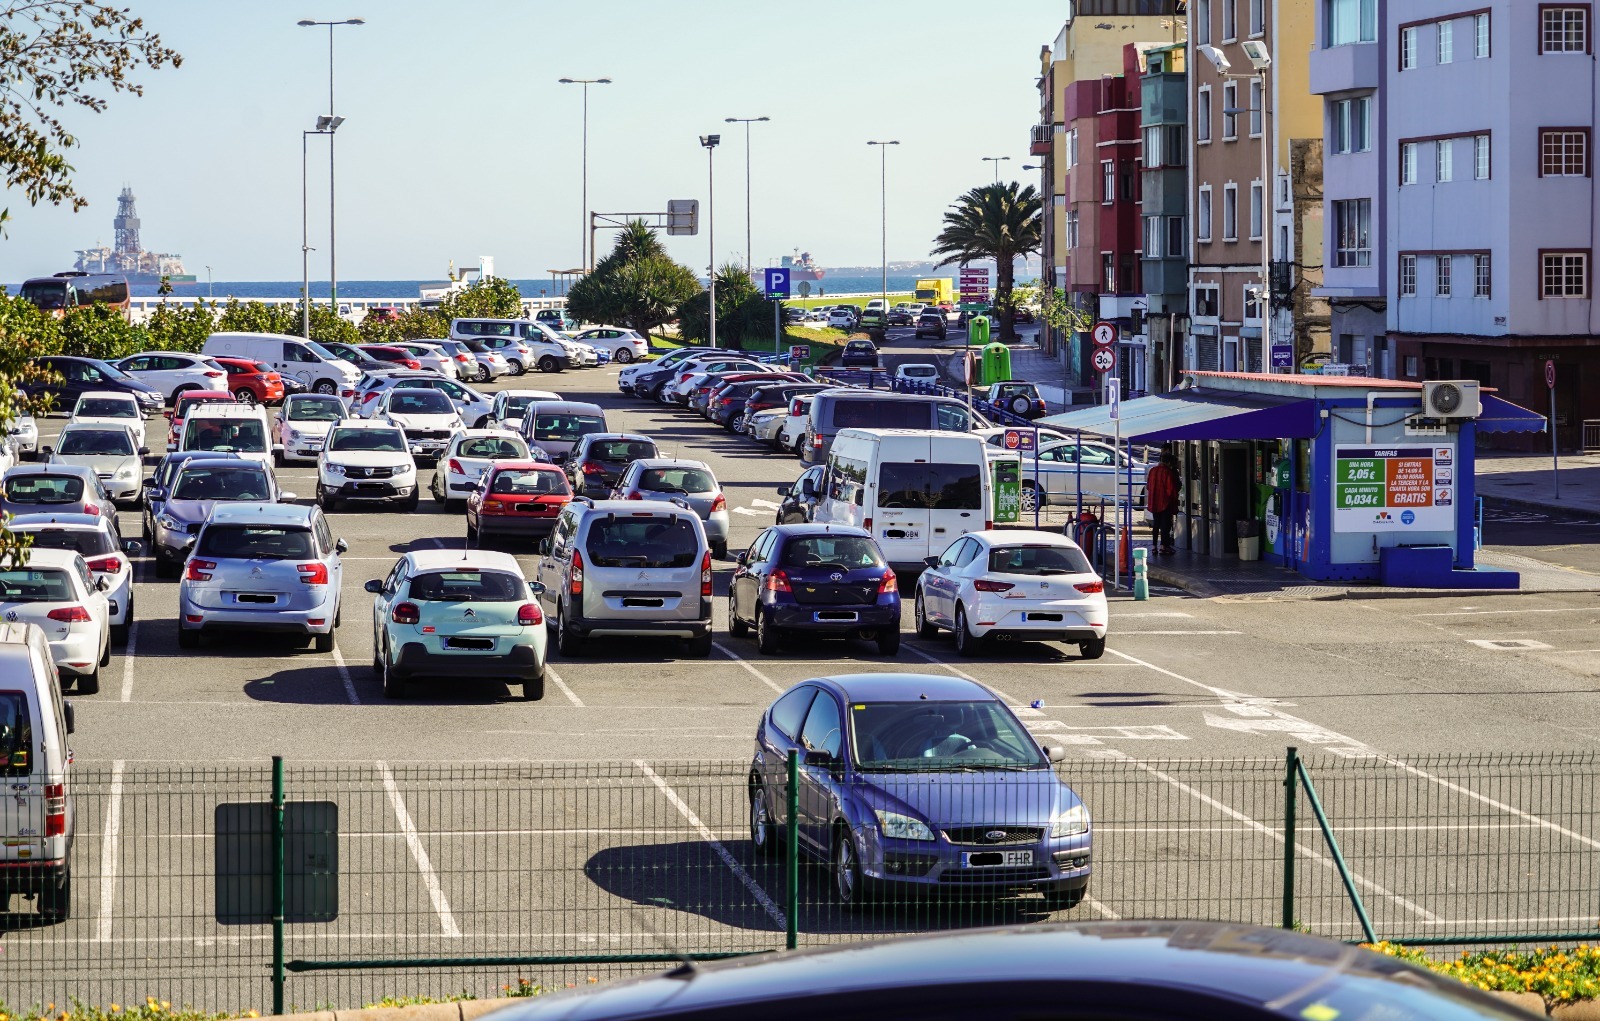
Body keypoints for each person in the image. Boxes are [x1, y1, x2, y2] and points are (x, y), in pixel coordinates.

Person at [1147, 452, 1181, 554]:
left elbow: (1148, 486)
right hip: (1165, 503)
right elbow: (1170, 490)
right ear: (1169, 462)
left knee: (1156, 524)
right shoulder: (1167, 472)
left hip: (1154, 501)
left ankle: (1154, 546)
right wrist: (1175, 500)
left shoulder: (1152, 471)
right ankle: (1163, 546)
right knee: (1165, 525)